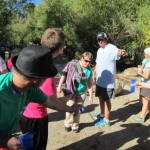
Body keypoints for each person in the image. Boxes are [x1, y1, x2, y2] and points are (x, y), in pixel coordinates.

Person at [0, 45, 77, 150]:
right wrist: (4, 141)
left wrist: (71, 109)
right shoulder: (1, 92)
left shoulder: (31, 90)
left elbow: (50, 101)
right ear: (37, 80)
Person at [19, 28, 65, 150]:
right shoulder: (47, 71)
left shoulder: (30, 58)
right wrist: (70, 104)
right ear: (60, 48)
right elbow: (52, 102)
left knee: (27, 146)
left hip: (23, 113)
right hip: (37, 118)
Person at [92, 32, 126, 127]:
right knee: (100, 98)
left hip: (108, 82)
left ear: (106, 39)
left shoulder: (111, 48)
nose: (100, 41)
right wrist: (93, 74)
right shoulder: (99, 50)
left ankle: (106, 120)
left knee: (107, 100)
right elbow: (97, 63)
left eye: (102, 39)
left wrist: (122, 52)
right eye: (98, 40)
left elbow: (119, 51)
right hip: (99, 80)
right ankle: (102, 114)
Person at [57, 52, 93, 133]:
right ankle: (67, 123)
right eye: (86, 61)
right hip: (71, 91)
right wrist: (59, 86)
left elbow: (90, 84)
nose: (87, 63)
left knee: (78, 109)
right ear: (81, 58)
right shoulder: (72, 65)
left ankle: (75, 125)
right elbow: (64, 75)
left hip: (82, 92)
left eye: (90, 62)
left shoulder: (89, 69)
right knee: (69, 107)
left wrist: (90, 96)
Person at [134, 47, 150, 123]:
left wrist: (140, 73)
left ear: (148, 54)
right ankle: (148, 113)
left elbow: (146, 76)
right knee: (148, 100)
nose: (144, 54)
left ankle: (141, 117)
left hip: (146, 84)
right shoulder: (148, 62)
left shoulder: (149, 64)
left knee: (145, 101)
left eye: (145, 53)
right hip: (147, 84)